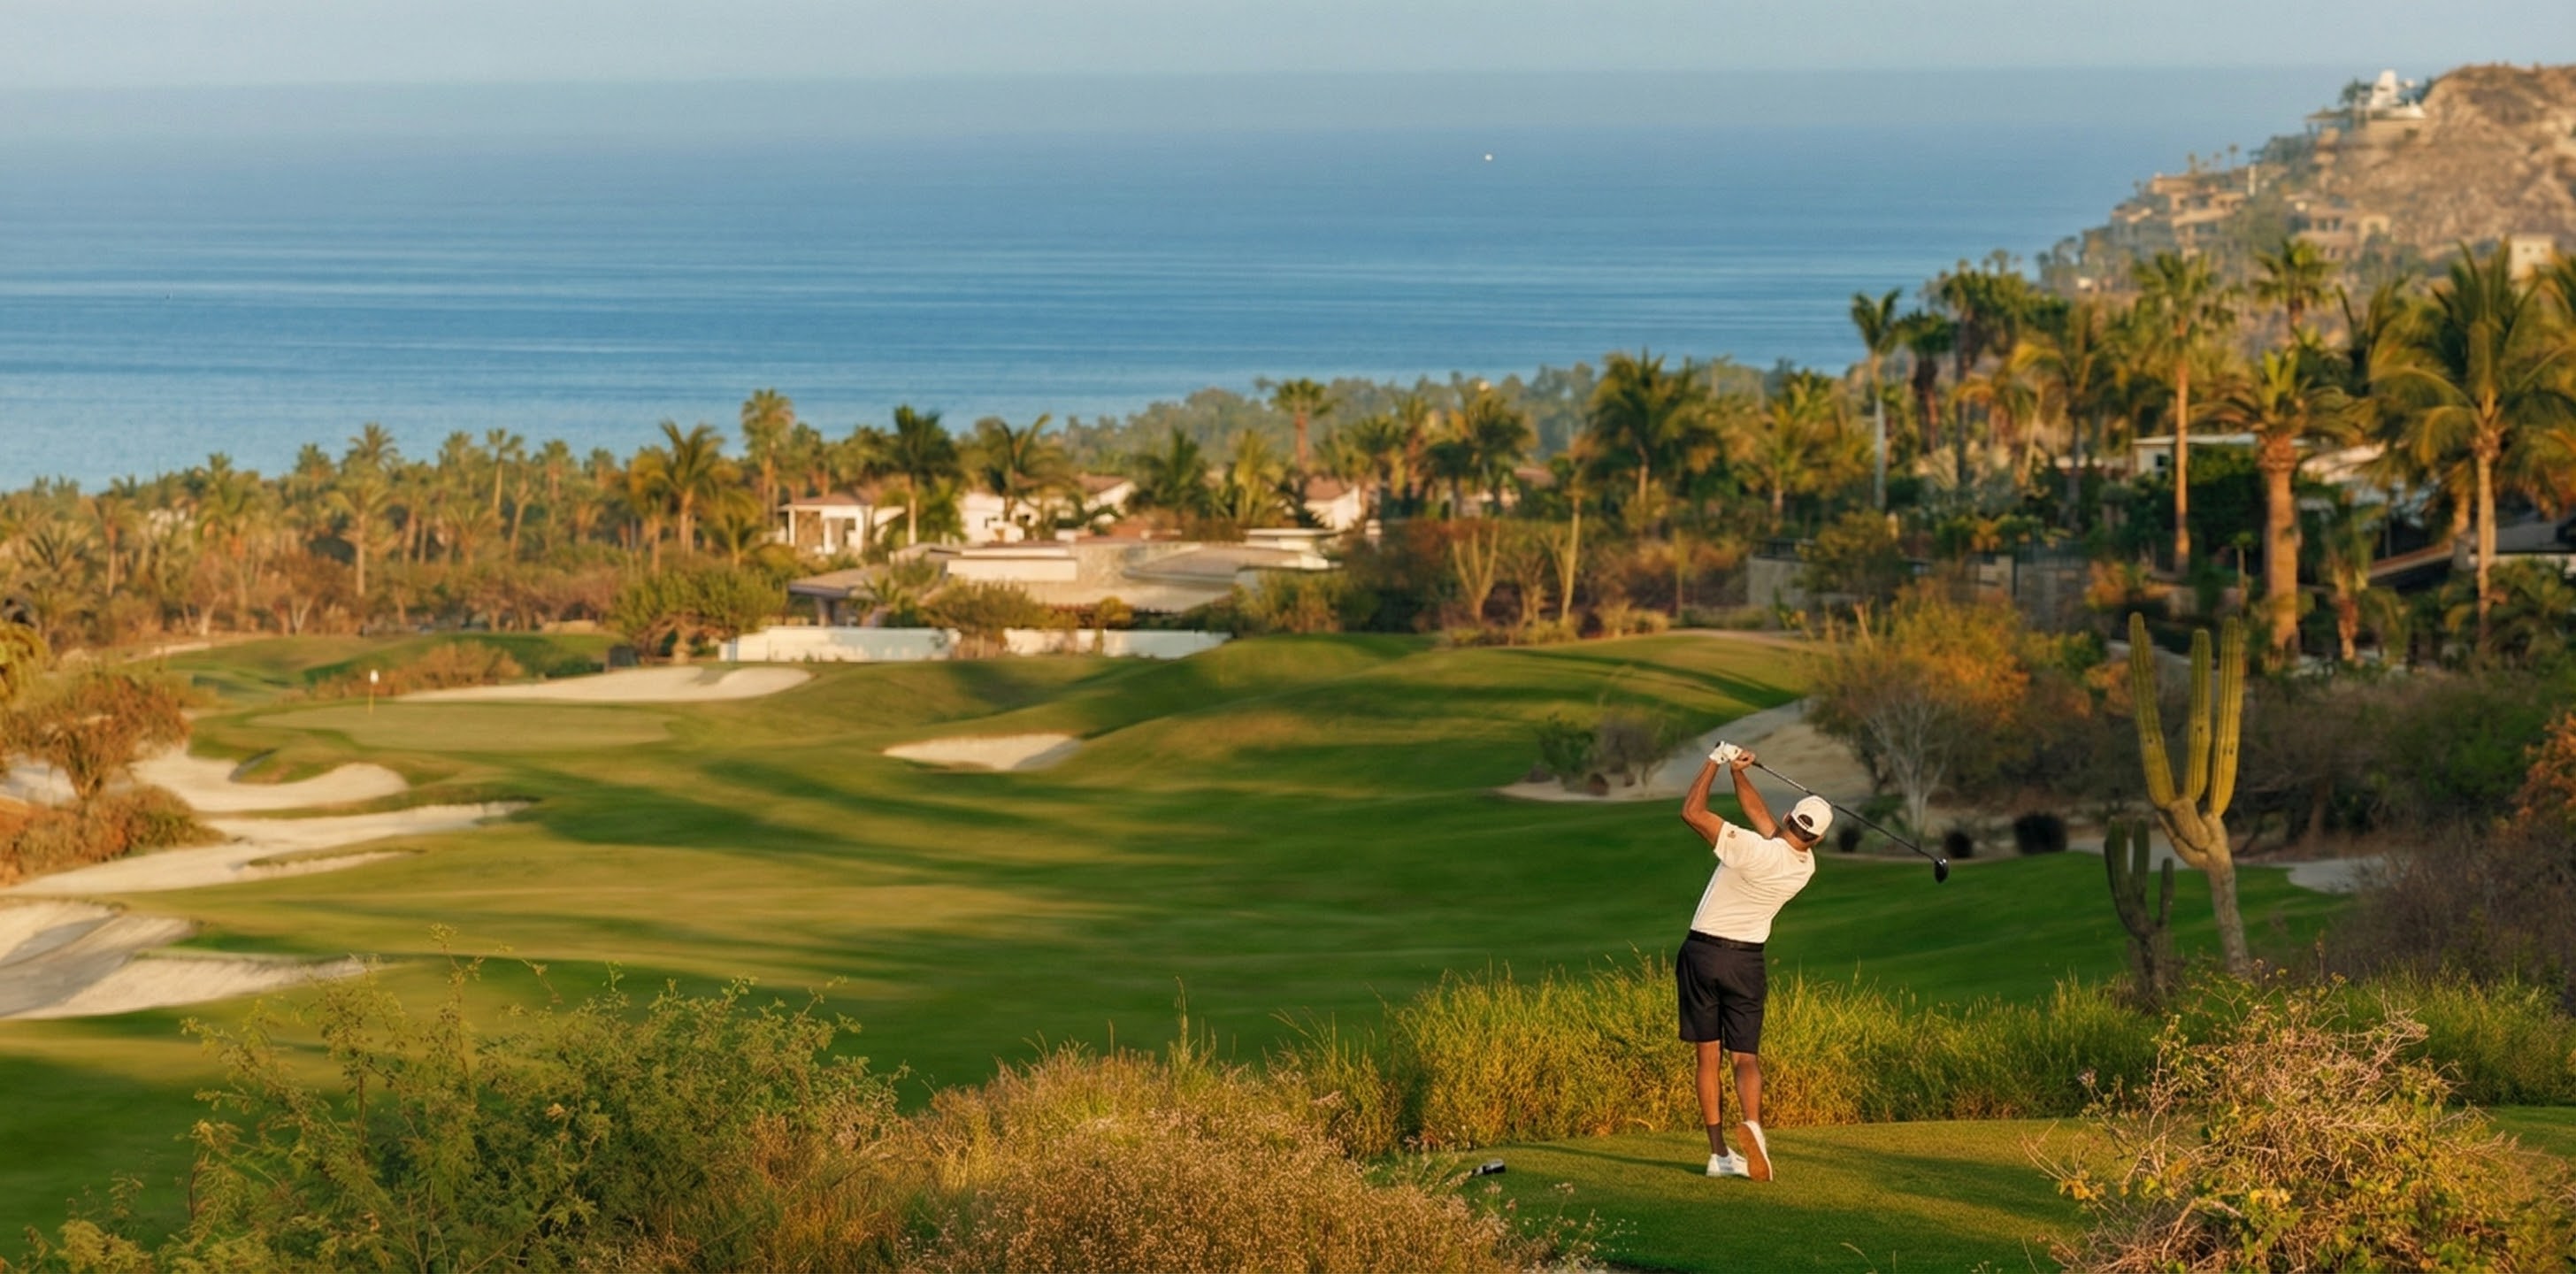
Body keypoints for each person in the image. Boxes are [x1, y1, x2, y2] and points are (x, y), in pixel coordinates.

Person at [1675, 740, 1828, 1181]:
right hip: (1747, 964)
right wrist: (1740, 774)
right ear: (1816, 837)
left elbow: (1692, 812)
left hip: (1702, 954)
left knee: (1708, 1058)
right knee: (1746, 1059)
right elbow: (1762, 819)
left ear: (1787, 820)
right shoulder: (1805, 865)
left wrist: (1713, 760)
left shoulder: (1749, 848)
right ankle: (1754, 1127)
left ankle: (1719, 1154)